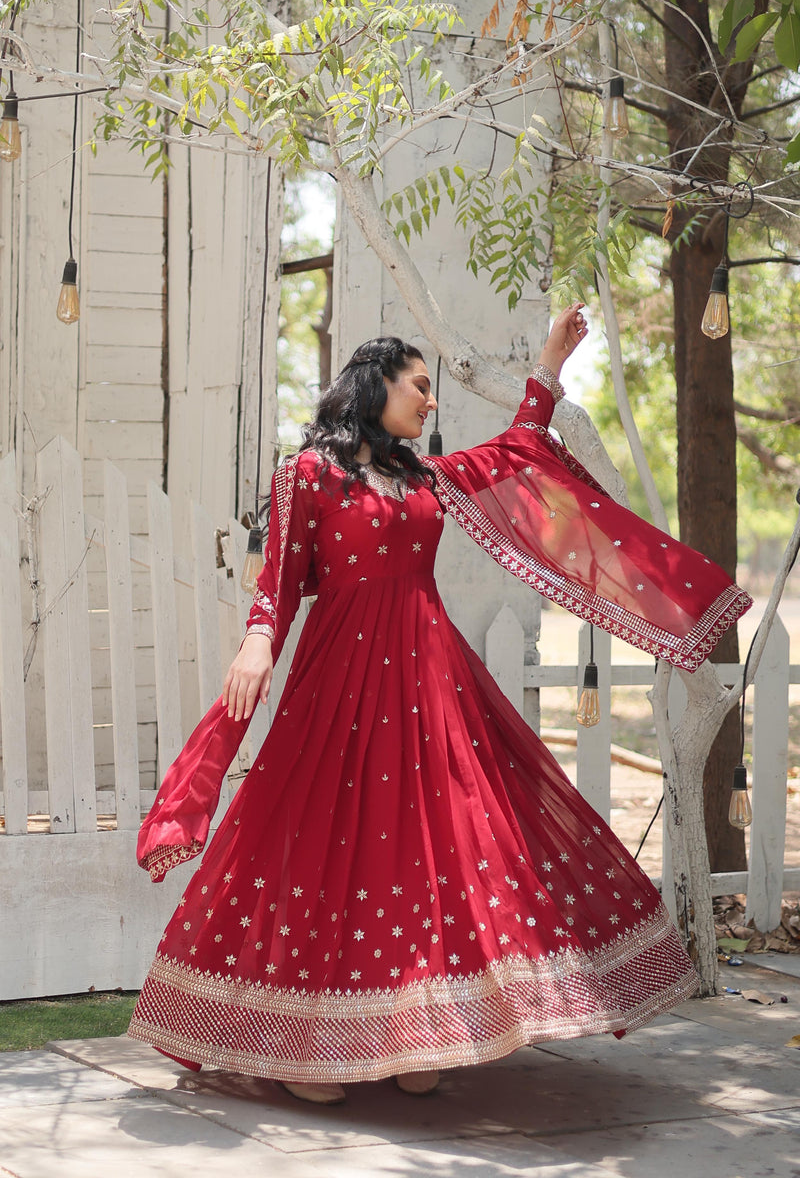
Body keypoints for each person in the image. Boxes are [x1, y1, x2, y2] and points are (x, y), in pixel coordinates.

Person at [129, 305, 751, 1104]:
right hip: (339, 690)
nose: (429, 402)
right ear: (374, 383)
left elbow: (517, 450)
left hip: (431, 688)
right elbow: (277, 588)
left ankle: (411, 1031)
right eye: (418, 387)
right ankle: (297, 1042)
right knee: (323, 847)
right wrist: (256, 641)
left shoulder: (426, 476)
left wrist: (551, 366)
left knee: (428, 852)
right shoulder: (307, 475)